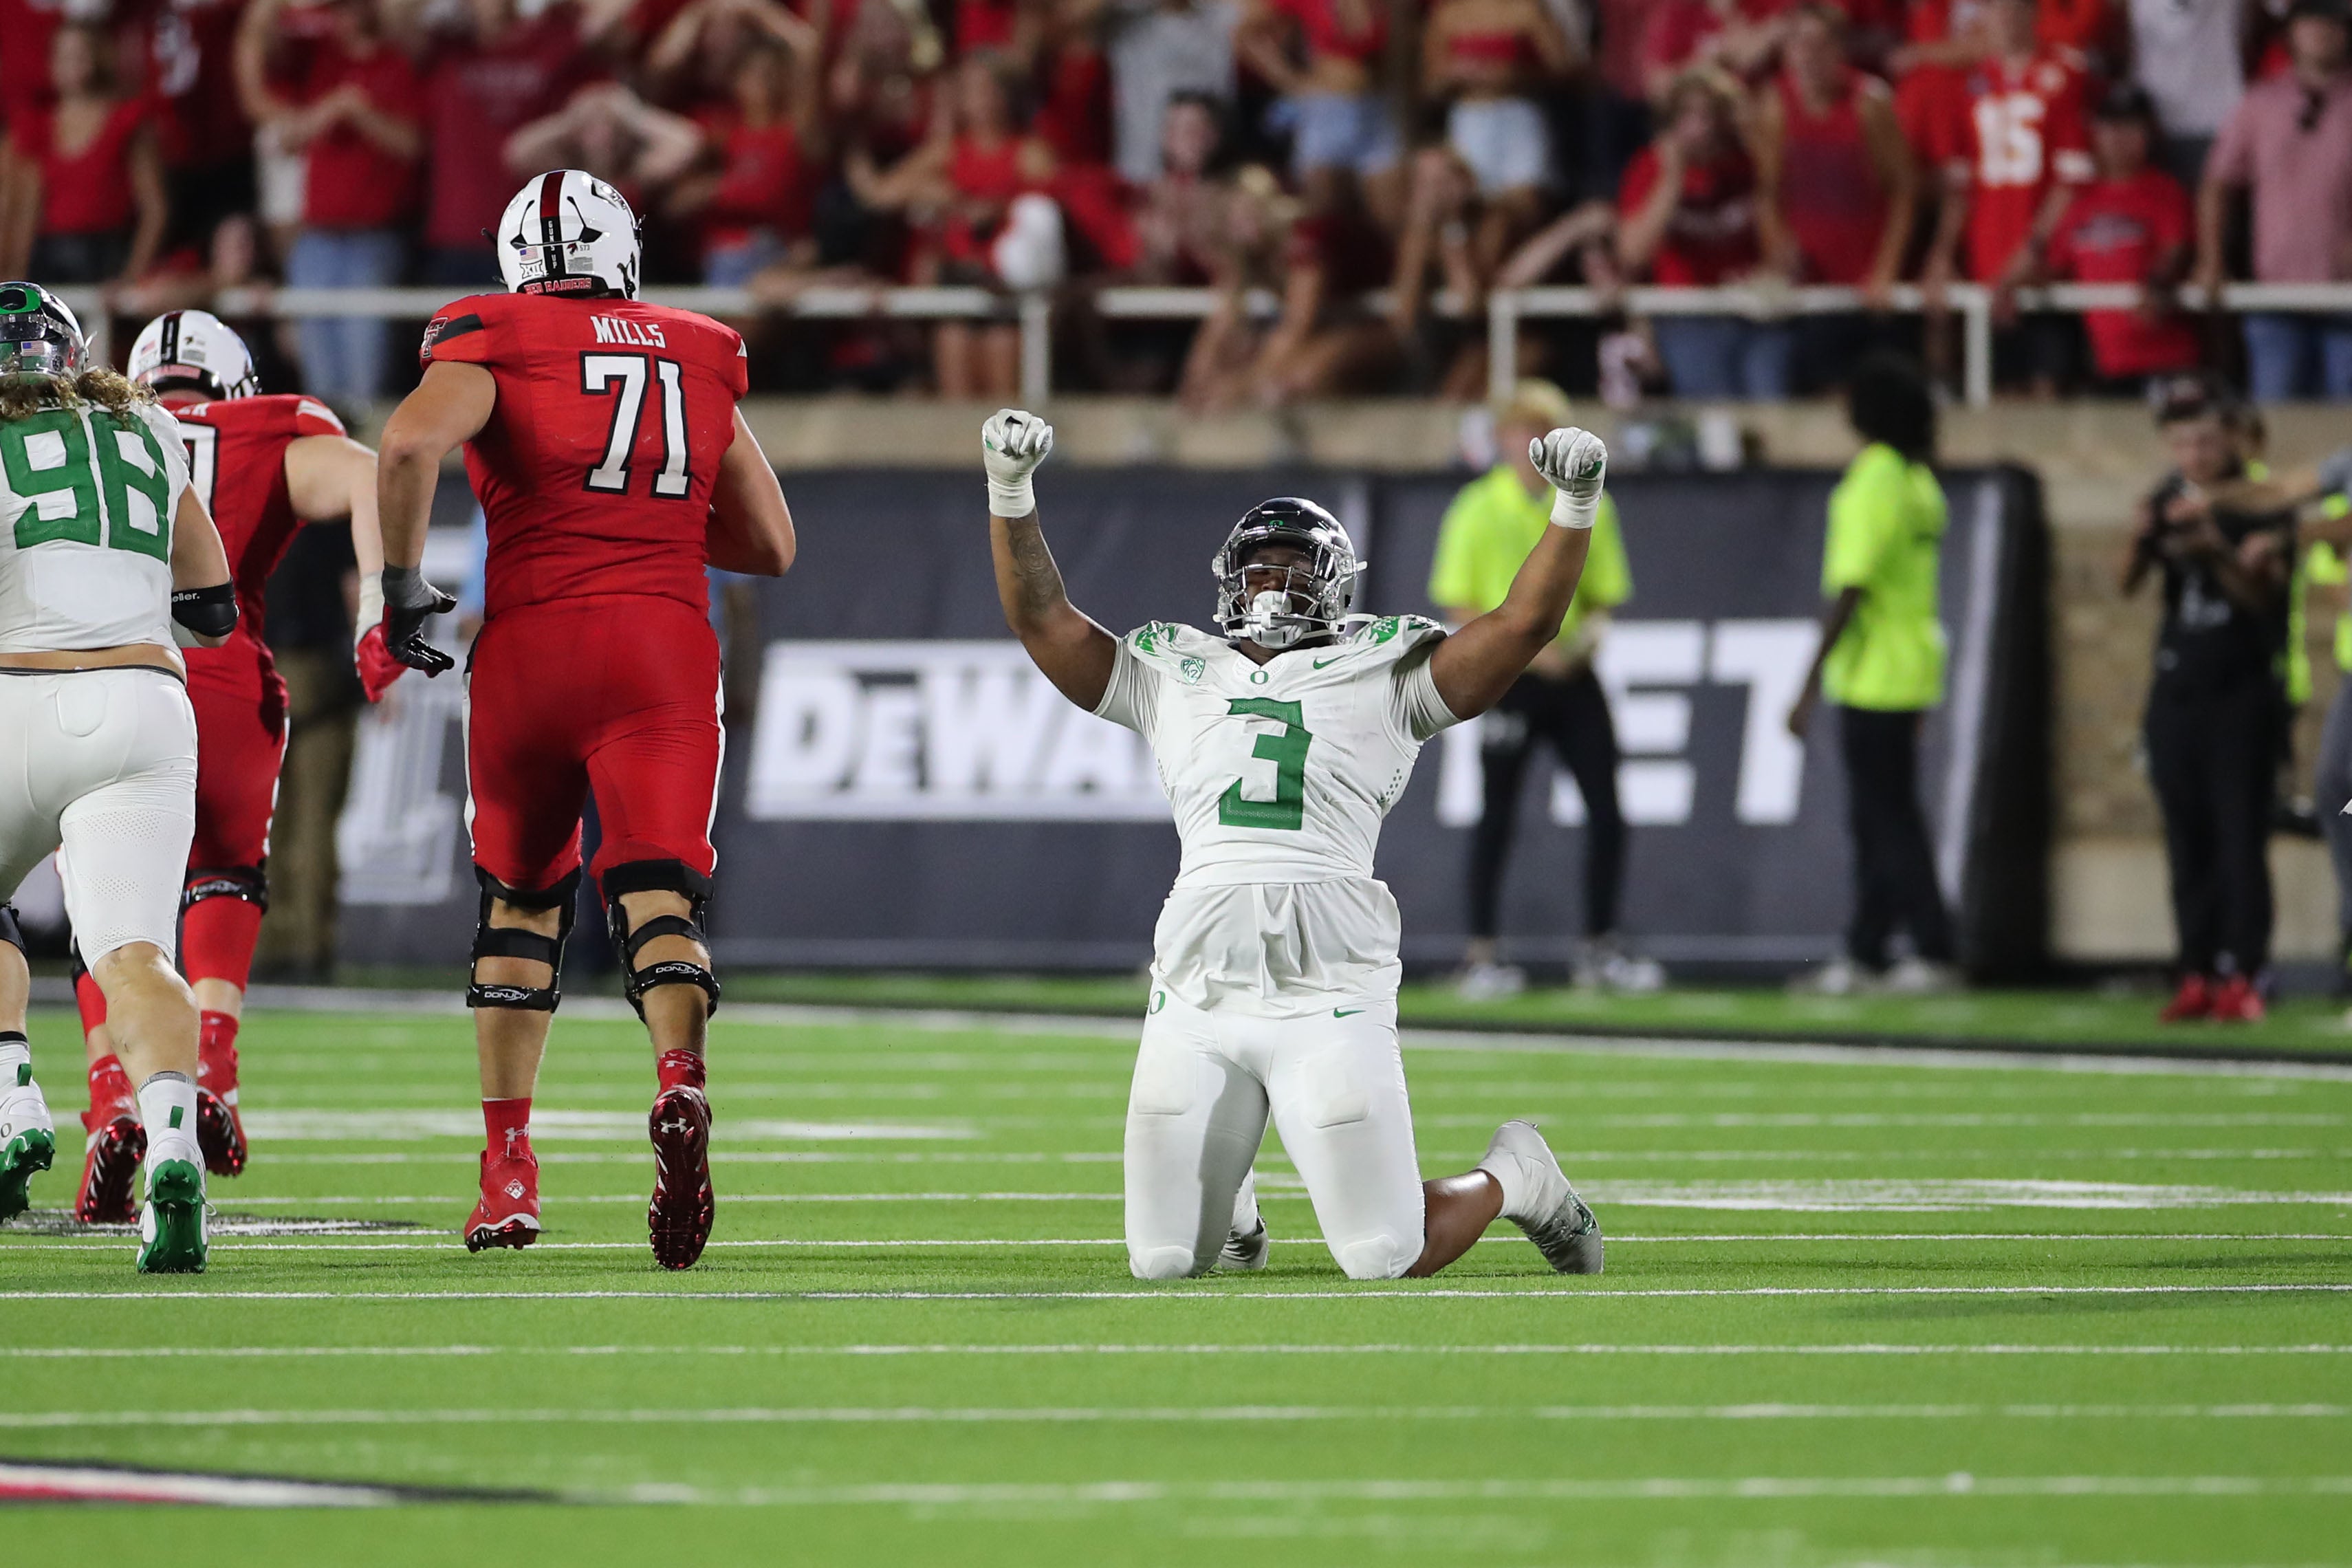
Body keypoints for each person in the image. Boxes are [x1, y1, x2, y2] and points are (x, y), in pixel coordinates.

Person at [980, 404, 1607, 1281]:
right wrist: (1011, 493)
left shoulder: (1387, 672)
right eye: (1260, 567)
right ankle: (1228, 1204)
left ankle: (1518, 1173)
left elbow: (1520, 627)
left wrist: (1573, 506)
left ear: (1336, 585)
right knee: (1163, 1262)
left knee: (1385, 1253)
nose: (1275, 585)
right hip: (1200, 982)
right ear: (1228, 580)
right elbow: (1045, 622)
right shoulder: (1175, 669)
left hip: (1331, 980)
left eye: (1295, 568)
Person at [371, 170, 796, 1267]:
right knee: (659, 891)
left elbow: (412, 444)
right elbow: (771, 545)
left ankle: (507, 1170)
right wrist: (640, 520)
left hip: (533, 646)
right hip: (659, 643)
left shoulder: (493, 330)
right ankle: (679, 1085)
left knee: (520, 905)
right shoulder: (700, 345)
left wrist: (403, 585)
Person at [64, 309, 400, 1223]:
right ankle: (212, 1064)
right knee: (224, 874)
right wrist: (378, 606)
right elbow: (372, 479)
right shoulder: (272, 424)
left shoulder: (93, 428)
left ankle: (107, 1101)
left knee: (108, 912)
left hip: (100, 672)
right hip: (223, 671)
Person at [0, 281, 235, 1271]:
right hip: (145, 703)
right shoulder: (146, 422)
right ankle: (173, 1142)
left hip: (16, 693)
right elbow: (214, 601)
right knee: (134, 955)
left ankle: (13, 1097)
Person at [1429, 380, 1659, 999]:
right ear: (1502, 437)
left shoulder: (1591, 503)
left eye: (1541, 430)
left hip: (1572, 678)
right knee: (1497, 815)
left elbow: (1605, 598)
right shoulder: (1478, 507)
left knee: (1607, 811)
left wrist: (1580, 645)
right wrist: (1529, 648)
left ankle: (1600, 945)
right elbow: (1459, 599)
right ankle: (1481, 953)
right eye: (1519, 428)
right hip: (1511, 679)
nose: (1528, 441)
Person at [1787, 354, 1959, 997]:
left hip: (1874, 669)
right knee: (1884, 814)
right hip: (1914, 661)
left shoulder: (1874, 478)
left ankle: (1932, 947)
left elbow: (1852, 586)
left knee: (1886, 818)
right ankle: (1869, 948)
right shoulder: (1920, 479)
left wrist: (1807, 682)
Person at [2122, 382, 2292, 1022]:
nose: (2193, 453)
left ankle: (2246, 970)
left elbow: (2264, 599)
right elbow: (2125, 583)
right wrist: (2141, 537)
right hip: (2177, 687)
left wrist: (2216, 553)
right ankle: (2194, 967)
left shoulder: (2262, 503)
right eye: (2182, 441)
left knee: (2239, 836)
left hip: (2241, 692)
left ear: (2232, 439)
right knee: (2185, 836)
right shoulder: (2168, 498)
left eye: (2205, 439)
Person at [236, 0, 424, 406]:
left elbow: (413, 145)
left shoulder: (396, 64)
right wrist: (330, 111)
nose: (346, 17)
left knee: (365, 377)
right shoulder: (319, 60)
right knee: (318, 379)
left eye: (352, 9)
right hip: (315, 239)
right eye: (338, 10)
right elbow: (280, 120)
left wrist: (362, 114)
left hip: (373, 240)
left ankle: (365, 464)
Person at [1919, 0, 2093, 393]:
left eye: (2015, 8)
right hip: (1987, 259)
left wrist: (2031, 251)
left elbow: (2073, 181)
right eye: (1997, 9)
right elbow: (1961, 185)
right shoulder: (1973, 83)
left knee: (2046, 386)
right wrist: (1944, 254)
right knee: (1993, 386)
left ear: (2034, 13)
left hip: (2045, 265)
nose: (2007, 19)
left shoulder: (2064, 74)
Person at [2194, 0, 2352, 402]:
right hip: (2274, 292)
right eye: (2311, 21)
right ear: (2292, 33)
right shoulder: (2260, 102)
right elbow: (2218, 183)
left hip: (2346, 294)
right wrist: (2211, 257)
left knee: (2345, 426)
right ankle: (2269, 472)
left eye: (2334, 22)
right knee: (2275, 422)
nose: (2322, 31)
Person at [1617, 68, 1794, 401]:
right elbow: (1632, 253)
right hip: (1690, 313)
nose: (1703, 126)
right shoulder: (1651, 167)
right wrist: (1672, 178)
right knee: (1717, 411)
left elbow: (1785, 250)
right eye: (1690, 114)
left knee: (1770, 401)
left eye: (1712, 114)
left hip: (1754, 310)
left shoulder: (1750, 166)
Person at [2010, 83, 2198, 395]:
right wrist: (2022, 278)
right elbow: (2054, 267)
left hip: (2168, 358)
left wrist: (2156, 284)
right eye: (2110, 126)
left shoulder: (2165, 191)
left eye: (2131, 127)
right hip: (2106, 363)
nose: (2119, 137)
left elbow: (2175, 251)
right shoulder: (2079, 199)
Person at [0, 24, 168, 286]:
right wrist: (14, 273)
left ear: (99, 57)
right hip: (48, 258)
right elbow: (24, 209)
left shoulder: (126, 121)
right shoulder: (36, 127)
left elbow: (155, 208)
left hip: (108, 255)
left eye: (80, 54)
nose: (72, 64)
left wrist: (132, 276)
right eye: (64, 56)